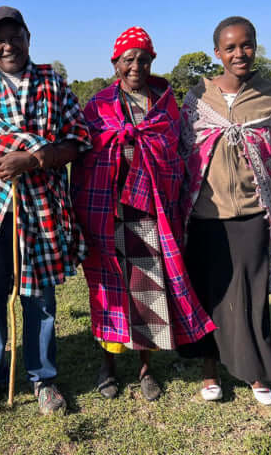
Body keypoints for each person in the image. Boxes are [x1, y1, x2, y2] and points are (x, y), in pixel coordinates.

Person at [0, 6, 91, 415]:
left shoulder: (54, 83)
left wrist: (31, 161)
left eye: (15, 37)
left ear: (28, 38)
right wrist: (34, 145)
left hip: (42, 206)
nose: (8, 46)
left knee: (40, 296)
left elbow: (77, 141)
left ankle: (43, 377)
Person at [71, 27, 215, 401]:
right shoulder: (98, 106)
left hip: (150, 211)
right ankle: (108, 365)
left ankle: (146, 366)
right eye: (128, 59)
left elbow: (176, 156)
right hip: (108, 209)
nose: (136, 65)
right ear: (115, 63)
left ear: (152, 61)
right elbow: (85, 159)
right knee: (109, 289)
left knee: (148, 289)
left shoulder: (165, 104)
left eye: (143, 58)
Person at [179, 16, 271, 405]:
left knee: (252, 297)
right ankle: (210, 372)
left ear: (255, 46)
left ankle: (256, 374)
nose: (239, 54)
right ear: (218, 54)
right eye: (230, 48)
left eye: (246, 45)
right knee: (210, 293)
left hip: (251, 214)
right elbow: (183, 154)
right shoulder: (196, 99)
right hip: (205, 214)